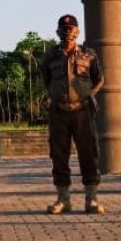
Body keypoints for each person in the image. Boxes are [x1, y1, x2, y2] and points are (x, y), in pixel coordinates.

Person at [41, 13, 105, 214]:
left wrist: (89, 95)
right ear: (57, 31)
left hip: (83, 111)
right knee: (59, 155)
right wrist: (55, 95)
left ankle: (91, 198)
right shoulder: (50, 56)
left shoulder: (89, 54)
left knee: (89, 153)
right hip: (59, 112)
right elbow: (46, 80)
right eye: (64, 28)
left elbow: (99, 79)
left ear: (77, 31)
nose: (67, 32)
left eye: (71, 28)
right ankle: (63, 199)